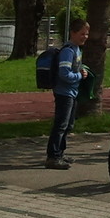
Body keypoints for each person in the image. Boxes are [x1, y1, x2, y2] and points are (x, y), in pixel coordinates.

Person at [45, 17, 90, 169]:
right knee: (61, 125)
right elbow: (64, 74)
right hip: (64, 93)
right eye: (82, 33)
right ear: (73, 33)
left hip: (72, 92)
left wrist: (81, 69)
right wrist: (79, 76)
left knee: (68, 124)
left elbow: (75, 66)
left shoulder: (77, 49)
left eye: (86, 34)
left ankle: (60, 153)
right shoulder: (68, 51)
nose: (85, 37)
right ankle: (53, 156)